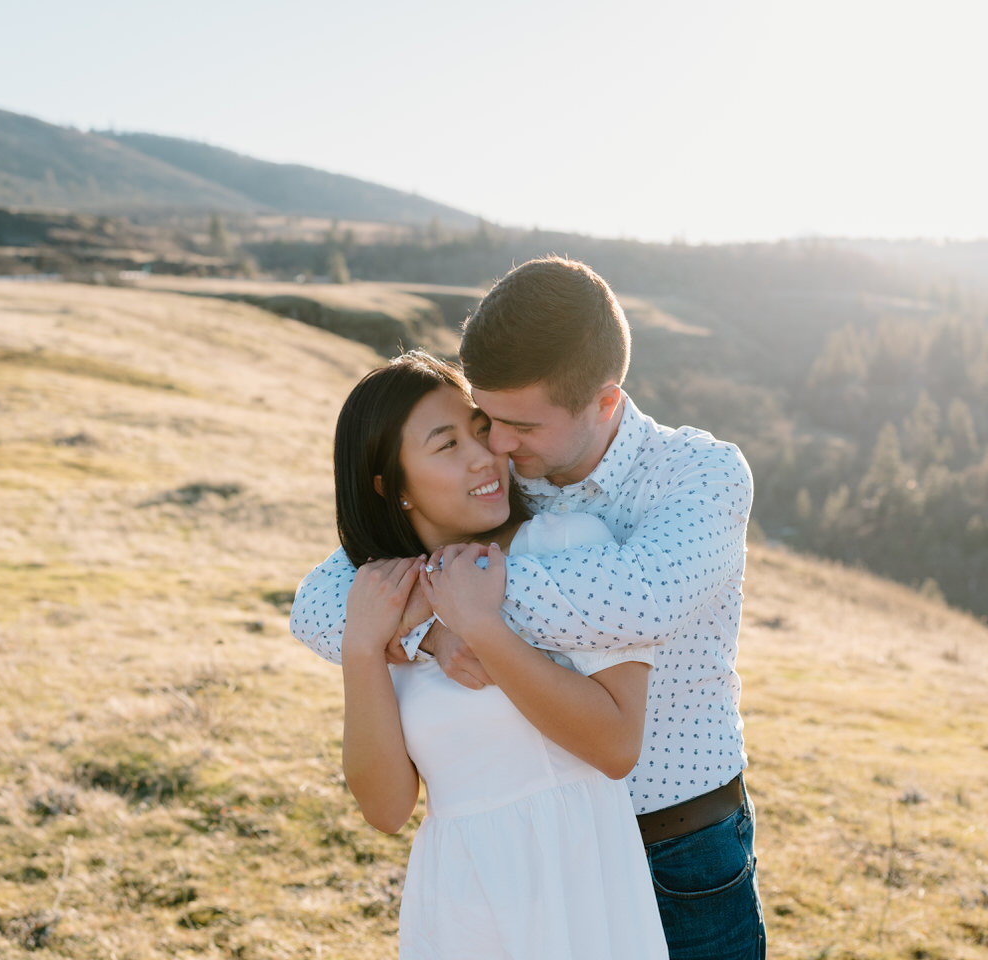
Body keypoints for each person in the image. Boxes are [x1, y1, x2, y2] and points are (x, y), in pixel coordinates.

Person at [293, 257, 766, 960]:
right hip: (542, 862)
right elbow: (324, 601)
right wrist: (424, 630)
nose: (499, 446)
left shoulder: (697, 476)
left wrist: (459, 601)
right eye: (485, 419)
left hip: (678, 850)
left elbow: (641, 599)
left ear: (604, 404)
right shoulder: (501, 474)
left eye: (519, 425)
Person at [330, 350, 668, 960]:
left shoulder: (568, 546)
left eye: (481, 431)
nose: (485, 456)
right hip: (460, 905)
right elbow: (385, 809)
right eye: (447, 445)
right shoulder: (385, 603)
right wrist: (362, 647)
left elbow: (617, 746)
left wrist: (483, 627)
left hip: (577, 888)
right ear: (391, 486)